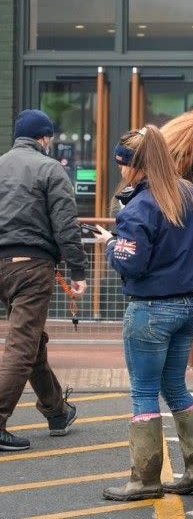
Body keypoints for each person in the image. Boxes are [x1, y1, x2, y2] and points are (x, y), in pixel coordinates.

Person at [96, 124, 193, 502]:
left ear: (136, 167)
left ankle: (145, 479)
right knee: (176, 387)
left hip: (151, 311)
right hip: (188, 308)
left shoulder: (138, 208)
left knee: (144, 391)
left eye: (123, 165)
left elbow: (132, 264)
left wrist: (111, 245)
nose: (120, 172)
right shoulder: (188, 193)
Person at [0, 109, 88, 451]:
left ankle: (56, 411)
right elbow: (66, 226)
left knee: (32, 340)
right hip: (31, 267)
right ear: (43, 138)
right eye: (49, 137)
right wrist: (78, 271)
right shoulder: (50, 169)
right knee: (21, 346)